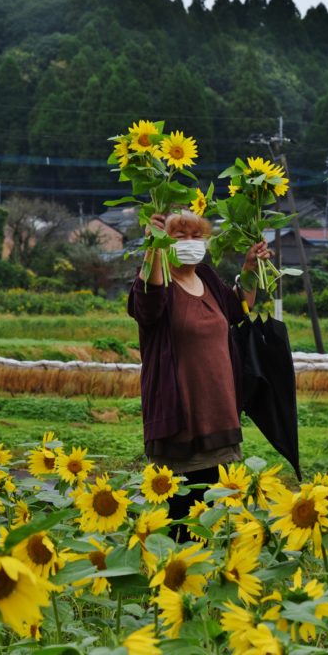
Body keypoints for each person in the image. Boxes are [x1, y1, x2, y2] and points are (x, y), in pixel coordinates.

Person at [128, 211, 270, 532]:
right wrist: (152, 249)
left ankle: (204, 577)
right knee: (183, 516)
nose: (190, 244)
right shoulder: (157, 282)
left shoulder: (206, 278)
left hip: (218, 417)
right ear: (165, 243)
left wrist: (250, 267)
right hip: (182, 421)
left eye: (196, 236)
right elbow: (147, 305)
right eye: (179, 237)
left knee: (212, 517)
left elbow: (238, 308)